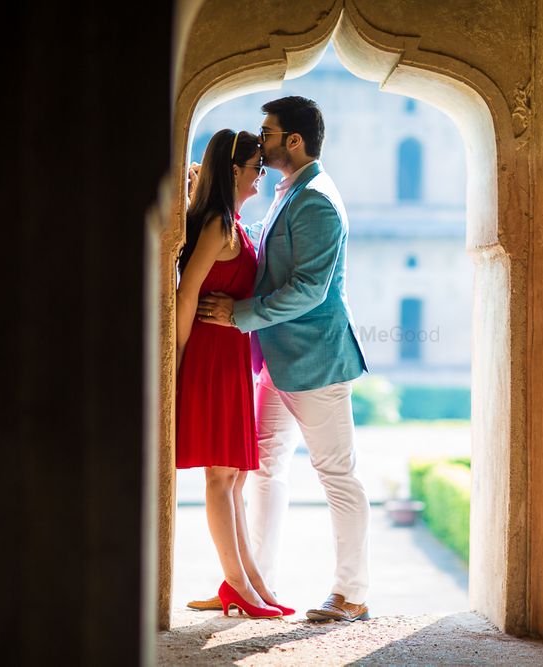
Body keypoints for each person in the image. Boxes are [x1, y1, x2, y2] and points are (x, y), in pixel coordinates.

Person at [199, 96, 372, 622]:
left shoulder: (316, 199)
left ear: (293, 141)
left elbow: (310, 290)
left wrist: (239, 314)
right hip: (276, 362)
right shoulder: (289, 191)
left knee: (336, 475)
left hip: (315, 363)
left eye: (267, 132)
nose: (261, 139)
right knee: (267, 470)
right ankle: (256, 585)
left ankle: (352, 594)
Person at [176, 128, 294, 619]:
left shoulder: (233, 223)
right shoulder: (220, 228)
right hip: (210, 357)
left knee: (236, 478)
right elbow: (186, 295)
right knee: (221, 478)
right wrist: (175, 366)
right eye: (255, 169)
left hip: (230, 355)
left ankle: (251, 582)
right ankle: (239, 586)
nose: (260, 177)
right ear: (235, 173)